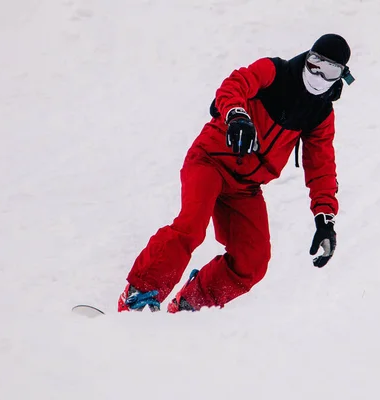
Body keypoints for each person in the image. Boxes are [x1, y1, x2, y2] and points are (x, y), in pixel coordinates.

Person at [118, 33, 354, 313]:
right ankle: (140, 293)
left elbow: (322, 165)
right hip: (211, 161)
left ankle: (190, 304)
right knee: (191, 227)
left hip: (245, 187)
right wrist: (236, 114)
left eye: (329, 70)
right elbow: (236, 84)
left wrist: (325, 219)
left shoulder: (320, 114)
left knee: (254, 260)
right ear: (307, 57)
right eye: (314, 63)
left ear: (340, 77)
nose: (317, 74)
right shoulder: (276, 72)